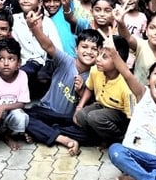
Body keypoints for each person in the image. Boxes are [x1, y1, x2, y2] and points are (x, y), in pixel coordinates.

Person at [24, 16, 104, 155]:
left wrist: (81, 92)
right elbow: (48, 46)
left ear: (99, 52)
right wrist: (34, 27)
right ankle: (64, 140)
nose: (89, 52)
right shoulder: (65, 61)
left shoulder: (97, 74)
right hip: (46, 110)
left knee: (93, 136)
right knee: (23, 117)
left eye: (94, 49)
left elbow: (93, 106)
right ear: (76, 48)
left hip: (68, 119)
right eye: (84, 47)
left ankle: (45, 132)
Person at [73, 34, 133, 146]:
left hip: (120, 115)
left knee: (95, 117)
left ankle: (118, 140)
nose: (98, 59)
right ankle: (100, 139)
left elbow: (132, 117)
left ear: (118, 61)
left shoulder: (127, 86)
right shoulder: (95, 70)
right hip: (101, 106)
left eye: (104, 57)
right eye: (99, 54)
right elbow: (89, 88)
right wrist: (79, 107)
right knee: (81, 116)